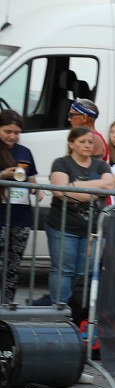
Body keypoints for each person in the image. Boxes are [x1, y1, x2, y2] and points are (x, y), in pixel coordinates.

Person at [46, 126, 115, 305]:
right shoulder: (61, 163)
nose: (87, 145)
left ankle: (78, 314)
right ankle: (59, 313)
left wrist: (75, 186)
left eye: (90, 142)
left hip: (92, 230)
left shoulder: (101, 165)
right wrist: (94, 191)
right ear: (71, 143)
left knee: (84, 273)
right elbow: (60, 191)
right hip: (63, 226)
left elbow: (110, 185)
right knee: (62, 270)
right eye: (82, 141)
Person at [0, 110, 39, 305]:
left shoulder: (25, 152)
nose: (12, 136)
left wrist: (36, 190)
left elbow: (33, 180)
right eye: (8, 131)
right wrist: (3, 175)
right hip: (1, 215)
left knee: (13, 265)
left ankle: (7, 305)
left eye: (16, 132)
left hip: (20, 216)